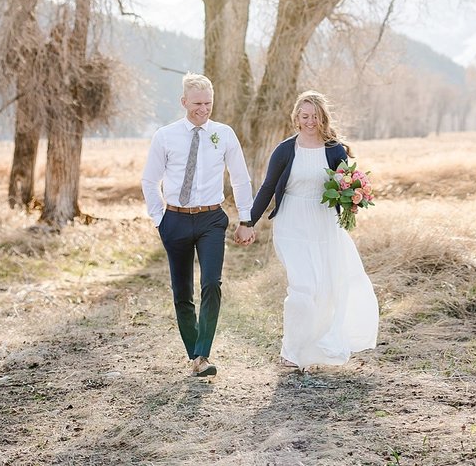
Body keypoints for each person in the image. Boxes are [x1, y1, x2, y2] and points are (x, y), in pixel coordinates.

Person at [247, 90, 378, 370]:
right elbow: (268, 187)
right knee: (302, 287)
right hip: (291, 222)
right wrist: (249, 221)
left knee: (325, 288)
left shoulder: (334, 149)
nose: (309, 121)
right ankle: (291, 352)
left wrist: (352, 204)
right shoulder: (285, 150)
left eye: (315, 116)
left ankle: (317, 346)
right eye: (304, 116)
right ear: (296, 117)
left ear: (323, 118)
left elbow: (346, 185)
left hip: (323, 222)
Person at [141, 72, 256, 378]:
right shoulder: (165, 136)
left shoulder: (224, 134)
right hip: (175, 219)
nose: (203, 109)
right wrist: (159, 219)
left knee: (212, 284)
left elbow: (241, 178)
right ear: (183, 102)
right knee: (182, 292)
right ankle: (194, 354)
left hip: (211, 218)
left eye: (208, 103)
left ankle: (203, 354)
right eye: (197, 103)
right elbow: (150, 180)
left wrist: (246, 218)